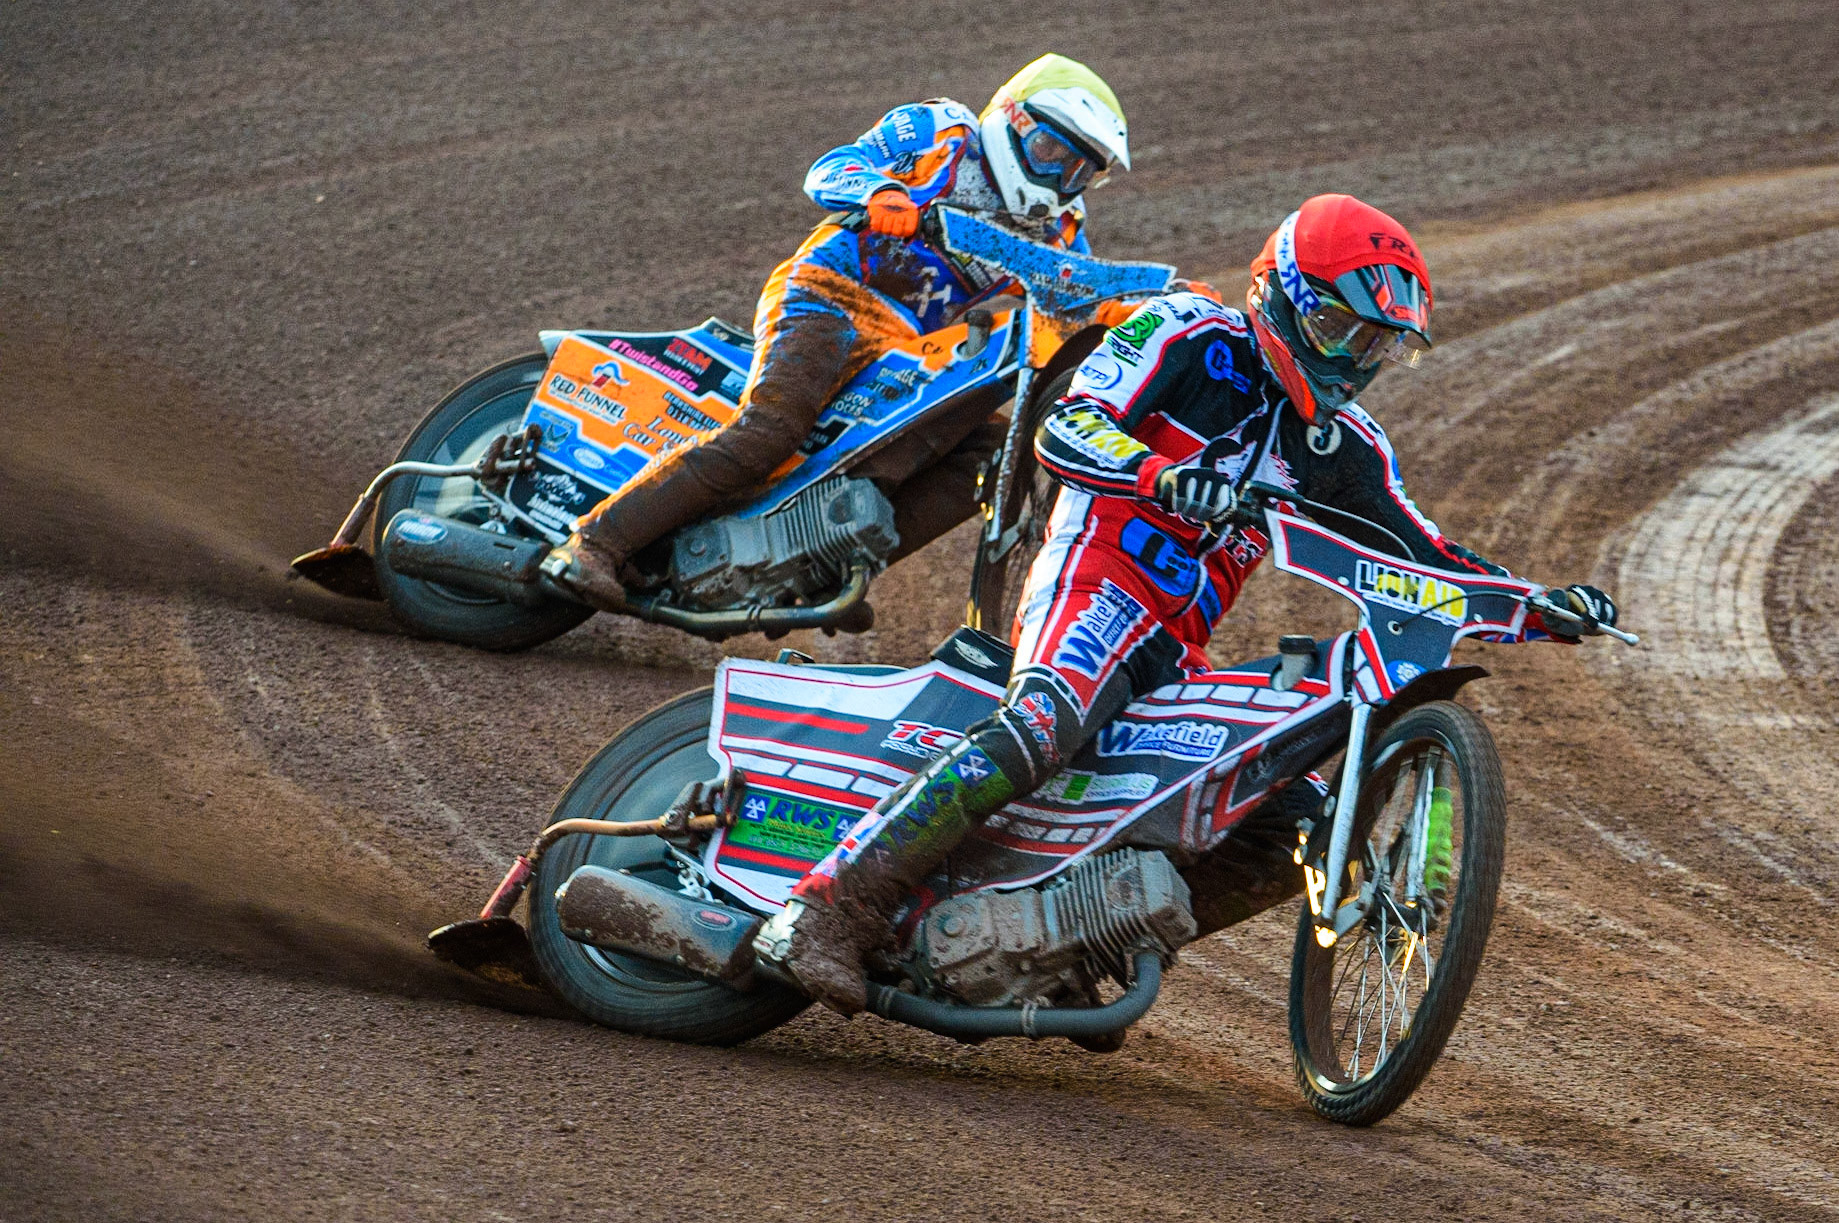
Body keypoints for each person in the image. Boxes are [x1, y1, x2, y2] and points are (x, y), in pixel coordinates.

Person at [756, 192, 1621, 1015]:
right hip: (1095, 580)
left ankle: (1070, 945)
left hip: (1175, 648)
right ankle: (827, 908)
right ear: (1279, 293)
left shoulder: (1344, 446)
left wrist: (1541, 605)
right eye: (1335, 329)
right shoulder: (1187, 330)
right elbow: (1070, 425)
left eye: (1373, 346)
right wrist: (1161, 476)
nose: (1350, 363)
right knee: (1041, 726)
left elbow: (1425, 555)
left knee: (1287, 823)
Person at [543, 54, 1151, 609]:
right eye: (1051, 149)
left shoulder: (1061, 231)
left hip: (914, 349)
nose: (1059, 177)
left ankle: (828, 566)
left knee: (991, 456)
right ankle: (594, 543)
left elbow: (1075, 298)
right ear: (1012, 119)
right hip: (831, 293)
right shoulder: (944, 132)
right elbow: (832, 167)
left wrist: (1151, 310)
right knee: (772, 428)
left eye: (1079, 170)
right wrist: (882, 190)